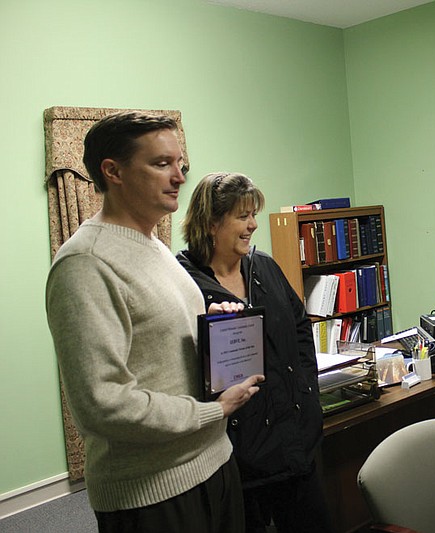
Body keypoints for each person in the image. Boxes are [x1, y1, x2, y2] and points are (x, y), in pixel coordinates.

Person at [45, 111, 264, 533]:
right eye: (161, 164)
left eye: (180, 164)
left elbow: (158, 342)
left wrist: (207, 325)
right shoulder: (85, 263)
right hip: (153, 494)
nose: (179, 176)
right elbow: (103, 403)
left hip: (214, 463)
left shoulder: (155, 246)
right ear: (113, 171)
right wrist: (211, 411)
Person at [177, 172, 331, 533]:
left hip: (294, 440)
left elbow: (299, 326)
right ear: (212, 223)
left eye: (253, 215)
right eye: (243, 216)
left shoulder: (263, 267)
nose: (253, 225)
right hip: (237, 456)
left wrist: (306, 390)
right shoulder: (184, 284)